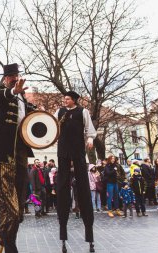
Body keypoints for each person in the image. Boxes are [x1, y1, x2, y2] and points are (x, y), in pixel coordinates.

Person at [0, 63, 35, 252]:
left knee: (19, 209)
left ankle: (7, 238)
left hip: (21, 156)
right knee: (10, 208)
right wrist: (12, 91)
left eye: (16, 75)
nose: (14, 78)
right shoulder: (0, 95)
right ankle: (9, 244)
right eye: (10, 76)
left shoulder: (22, 100)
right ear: (5, 79)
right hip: (4, 157)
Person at [54, 91, 96, 252]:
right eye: (64, 98)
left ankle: (89, 234)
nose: (65, 101)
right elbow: (51, 124)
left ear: (74, 101)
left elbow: (89, 129)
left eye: (68, 99)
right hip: (63, 151)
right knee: (62, 186)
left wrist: (90, 139)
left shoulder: (83, 112)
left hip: (78, 151)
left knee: (83, 187)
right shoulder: (59, 112)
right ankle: (63, 231)